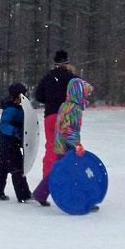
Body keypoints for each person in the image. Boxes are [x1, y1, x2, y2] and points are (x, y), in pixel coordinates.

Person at [32, 78, 94, 207]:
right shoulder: (74, 109)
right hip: (68, 147)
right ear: (78, 94)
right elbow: (67, 129)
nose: (86, 97)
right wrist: (76, 144)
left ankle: (40, 193)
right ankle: (82, 200)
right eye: (85, 94)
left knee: (59, 171)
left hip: (61, 145)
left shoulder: (65, 105)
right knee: (75, 173)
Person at [34, 49, 77, 178]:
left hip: (51, 115)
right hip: (69, 116)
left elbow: (38, 96)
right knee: (69, 148)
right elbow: (83, 95)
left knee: (51, 147)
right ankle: (67, 176)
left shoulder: (48, 77)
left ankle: (48, 178)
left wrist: (50, 100)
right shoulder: (73, 78)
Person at [0, 83, 33, 202]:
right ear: (15, 97)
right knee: (18, 168)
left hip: (10, 144)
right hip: (9, 144)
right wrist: (15, 132)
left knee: (3, 167)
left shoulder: (18, 108)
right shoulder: (10, 109)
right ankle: (23, 195)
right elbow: (4, 126)